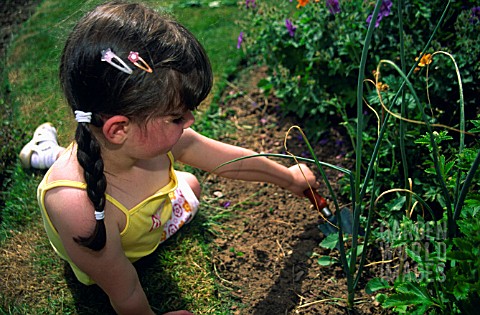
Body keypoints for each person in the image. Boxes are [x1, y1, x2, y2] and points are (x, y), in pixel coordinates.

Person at [19, 2, 319, 314]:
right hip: (105, 249)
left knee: (191, 184)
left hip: (140, 219)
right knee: (187, 189)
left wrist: (291, 178)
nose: (189, 121)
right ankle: (46, 154)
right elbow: (126, 290)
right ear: (119, 129)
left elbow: (232, 162)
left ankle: (47, 151)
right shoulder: (77, 208)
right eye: (176, 117)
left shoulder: (147, 142)